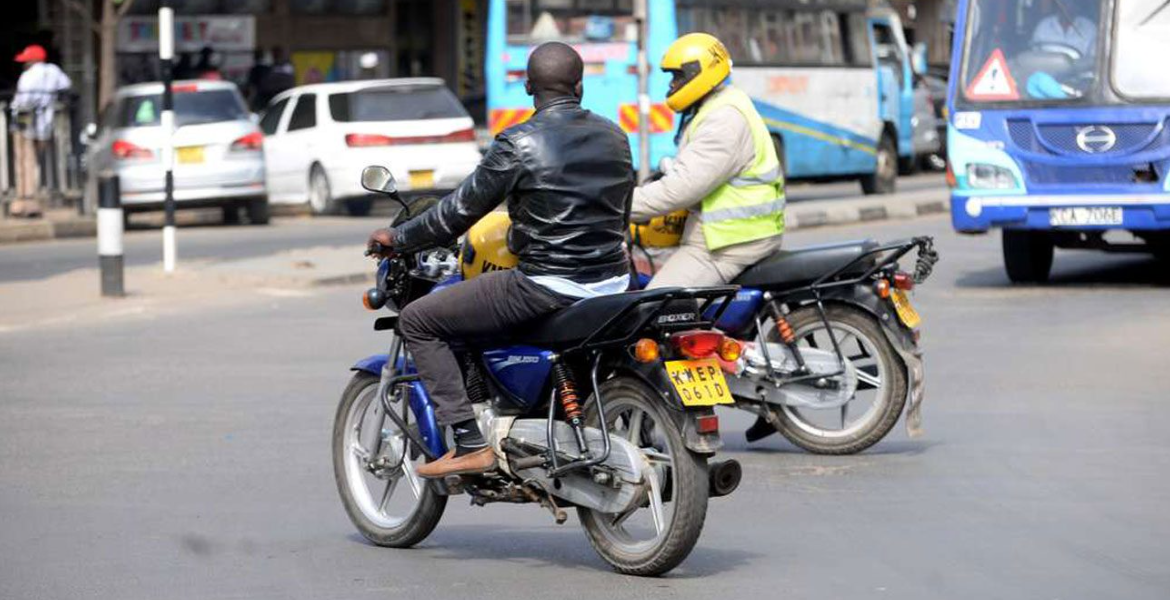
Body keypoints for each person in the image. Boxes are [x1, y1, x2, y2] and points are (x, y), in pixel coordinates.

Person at [365, 42, 634, 478]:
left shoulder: (518, 142)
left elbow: (457, 213)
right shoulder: (615, 136)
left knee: (418, 318)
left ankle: (470, 442)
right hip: (614, 283)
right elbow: (618, 213)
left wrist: (398, 237)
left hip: (546, 286)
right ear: (580, 85)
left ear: (528, 87)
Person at [631, 33, 785, 288]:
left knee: (654, 310)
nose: (672, 86)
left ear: (700, 73)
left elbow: (680, 189)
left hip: (729, 242)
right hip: (727, 235)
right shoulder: (717, 106)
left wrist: (620, 205)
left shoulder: (723, 118)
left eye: (678, 76)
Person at [9, 44, 71, 218]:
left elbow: (23, 100)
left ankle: (27, 200)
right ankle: (31, 198)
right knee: (37, 161)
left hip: (25, 122)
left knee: (24, 162)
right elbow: (66, 84)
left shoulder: (28, 76)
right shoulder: (53, 71)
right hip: (45, 122)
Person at [1031, 0, 1097, 59]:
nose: (1066, 7)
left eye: (1070, 2)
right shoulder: (1043, 26)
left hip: (1080, 72)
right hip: (1047, 71)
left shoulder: (1090, 28)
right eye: (1063, 3)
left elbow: (1094, 59)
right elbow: (1034, 55)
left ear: (1077, 5)